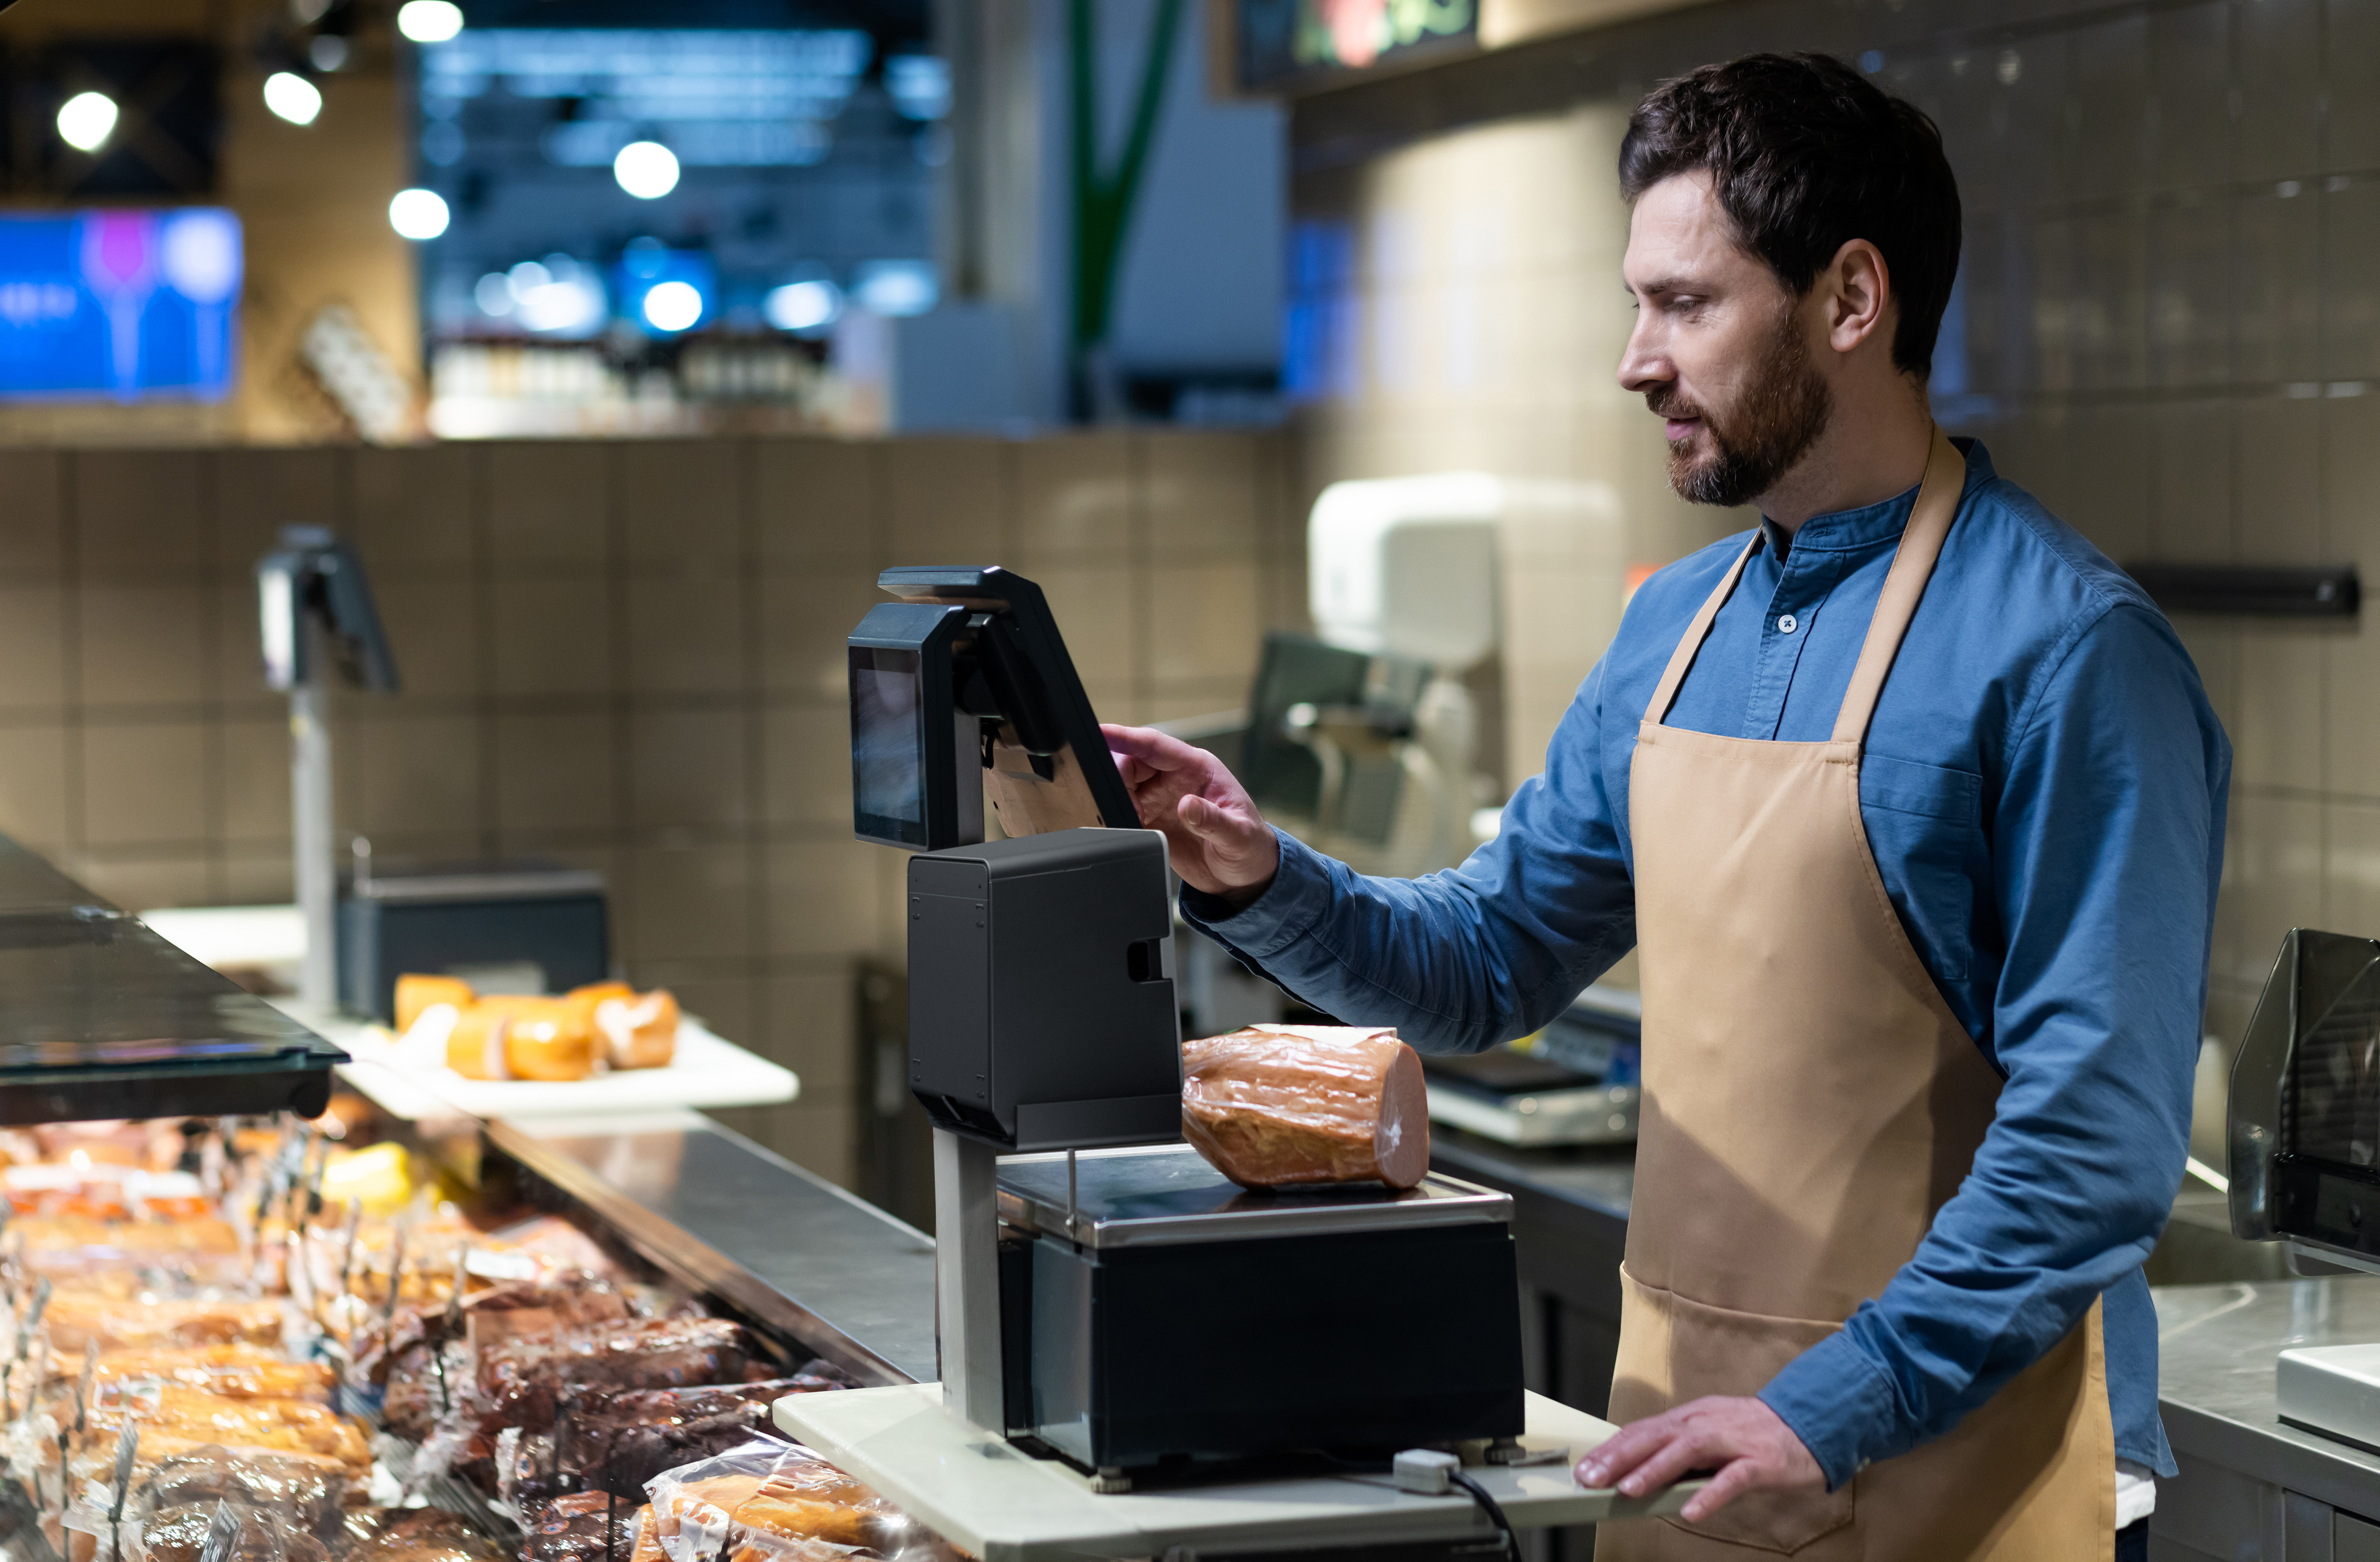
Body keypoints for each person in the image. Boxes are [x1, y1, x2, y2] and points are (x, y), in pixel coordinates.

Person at [1104, 52, 2227, 1562]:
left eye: (1687, 304)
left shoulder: (2070, 651)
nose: (1637, 359)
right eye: (1637, 303)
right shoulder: (1673, 626)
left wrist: (1832, 1405)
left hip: (1973, 1465)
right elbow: (1490, 962)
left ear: (1849, 300)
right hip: (1699, 1452)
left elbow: (2094, 1141)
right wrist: (1255, 871)